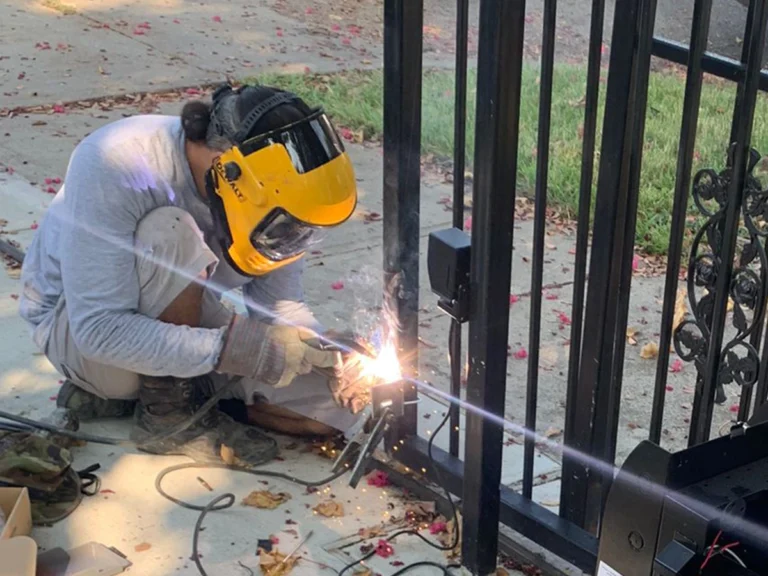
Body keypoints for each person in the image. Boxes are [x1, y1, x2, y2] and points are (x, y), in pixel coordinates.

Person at [18, 82, 368, 467]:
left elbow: (279, 310)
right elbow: (99, 330)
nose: (292, 239)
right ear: (236, 178)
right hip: (82, 338)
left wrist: (323, 352)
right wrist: (234, 350)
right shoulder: (116, 160)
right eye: (289, 226)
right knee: (170, 231)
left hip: (185, 330)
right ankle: (168, 418)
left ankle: (203, 404)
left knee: (335, 410)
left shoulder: (280, 196)